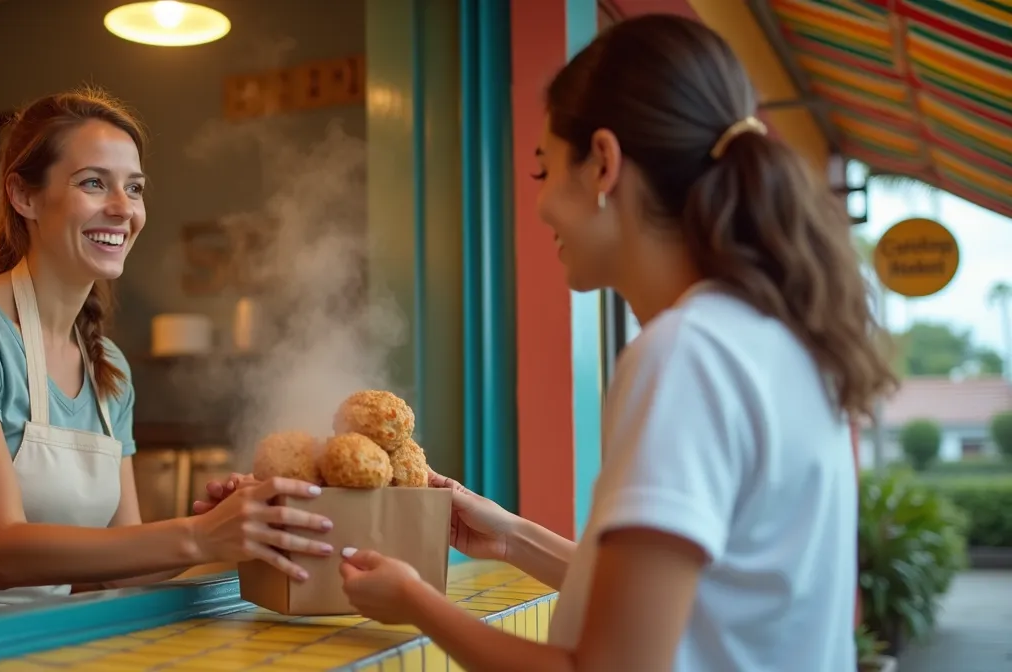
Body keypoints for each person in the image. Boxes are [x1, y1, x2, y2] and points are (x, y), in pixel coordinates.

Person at [198, 15, 896, 672]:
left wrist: (417, 604)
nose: (539, 205)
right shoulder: (776, 339)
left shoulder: (688, 355)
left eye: (542, 169)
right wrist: (510, 539)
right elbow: (696, 603)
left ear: (602, 163)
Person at [0, 88, 333, 627]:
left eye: (135, 187)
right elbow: (1, 549)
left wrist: (235, 527)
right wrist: (197, 536)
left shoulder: (110, 369)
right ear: (23, 197)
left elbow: (123, 569)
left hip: (40, 642)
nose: (124, 208)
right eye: (93, 183)